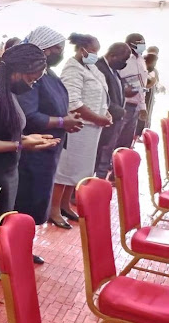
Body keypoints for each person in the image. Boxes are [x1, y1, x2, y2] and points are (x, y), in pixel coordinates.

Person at [0, 44, 57, 283]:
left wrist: (27, 139)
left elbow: (4, 131)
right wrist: (19, 145)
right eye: (31, 78)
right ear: (17, 70)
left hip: (4, 173)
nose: (32, 84)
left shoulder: (5, 92)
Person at [15, 27, 83, 252]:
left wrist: (66, 120)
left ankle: (24, 249)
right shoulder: (31, 76)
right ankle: (16, 251)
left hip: (47, 149)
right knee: (26, 202)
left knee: (36, 201)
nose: (61, 53)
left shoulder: (48, 73)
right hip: (34, 150)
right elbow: (29, 115)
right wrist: (63, 122)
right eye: (58, 49)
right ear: (45, 49)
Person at [48, 34, 110, 227]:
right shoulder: (72, 68)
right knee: (65, 170)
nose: (95, 56)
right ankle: (54, 209)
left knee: (78, 171)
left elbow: (101, 93)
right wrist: (97, 118)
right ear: (81, 49)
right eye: (92, 52)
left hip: (91, 130)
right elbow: (73, 101)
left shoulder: (91, 67)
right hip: (77, 127)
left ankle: (66, 204)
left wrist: (105, 113)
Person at [94, 42, 131, 179]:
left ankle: (96, 182)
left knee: (102, 153)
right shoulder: (99, 68)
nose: (125, 63)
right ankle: (82, 190)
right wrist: (118, 111)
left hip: (113, 120)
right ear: (112, 55)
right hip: (102, 119)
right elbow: (101, 97)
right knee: (96, 154)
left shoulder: (114, 71)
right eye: (123, 59)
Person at [115, 33, 149, 148]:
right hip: (123, 104)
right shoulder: (122, 59)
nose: (143, 46)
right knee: (114, 139)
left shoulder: (141, 60)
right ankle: (108, 164)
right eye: (140, 43)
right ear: (130, 44)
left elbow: (141, 85)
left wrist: (142, 107)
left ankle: (119, 165)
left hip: (134, 106)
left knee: (126, 141)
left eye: (144, 43)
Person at [137, 46, 159, 134]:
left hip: (150, 98)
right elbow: (140, 88)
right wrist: (150, 85)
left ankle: (143, 133)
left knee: (147, 116)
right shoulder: (141, 69)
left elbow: (156, 83)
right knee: (139, 119)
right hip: (142, 99)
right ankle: (137, 135)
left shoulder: (155, 71)